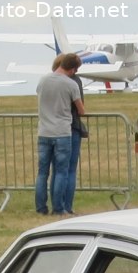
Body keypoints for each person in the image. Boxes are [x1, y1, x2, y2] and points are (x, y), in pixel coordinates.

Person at [35, 51, 84, 216]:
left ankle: (41, 207)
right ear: (72, 69)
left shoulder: (43, 80)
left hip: (44, 131)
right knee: (62, 172)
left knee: (42, 173)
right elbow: (81, 110)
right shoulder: (71, 84)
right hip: (62, 132)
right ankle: (58, 208)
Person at [55, 52, 88, 215]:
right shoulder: (74, 81)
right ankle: (66, 205)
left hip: (52, 128)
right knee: (69, 170)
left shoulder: (49, 79)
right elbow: (80, 107)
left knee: (57, 169)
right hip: (71, 127)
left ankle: (57, 205)